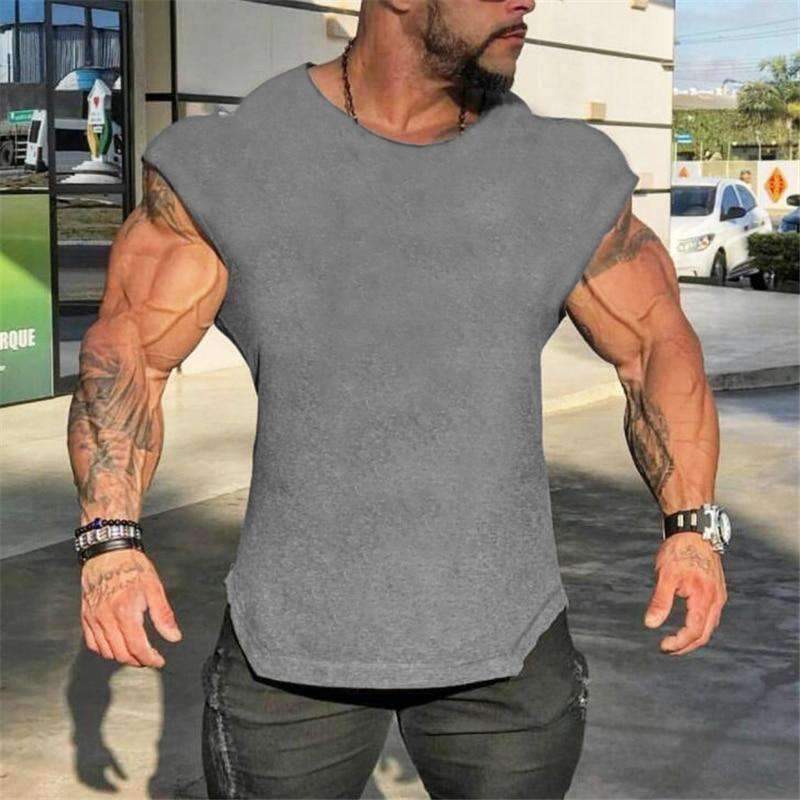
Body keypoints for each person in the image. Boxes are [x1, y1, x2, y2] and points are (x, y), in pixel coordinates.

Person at [67, 1, 730, 797]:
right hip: (287, 652)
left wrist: (693, 527)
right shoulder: (233, 160)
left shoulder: (565, 172)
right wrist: (110, 543)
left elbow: (656, 346)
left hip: (508, 646)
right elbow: (128, 356)